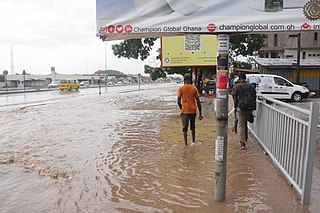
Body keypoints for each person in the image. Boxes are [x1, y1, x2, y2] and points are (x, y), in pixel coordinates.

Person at [177, 74, 203, 146]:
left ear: (184, 80)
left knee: (184, 128)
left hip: (184, 111)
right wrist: (200, 113)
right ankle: (193, 141)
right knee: (193, 127)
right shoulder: (194, 88)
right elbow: (198, 102)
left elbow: (178, 102)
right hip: (193, 110)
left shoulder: (181, 88)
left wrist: (181, 108)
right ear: (190, 80)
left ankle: (185, 144)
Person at [232, 73, 256, 150]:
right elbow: (254, 97)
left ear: (239, 78)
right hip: (249, 108)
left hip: (240, 108)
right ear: (245, 78)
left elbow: (235, 99)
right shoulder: (251, 86)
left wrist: (235, 107)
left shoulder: (237, 87)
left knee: (241, 125)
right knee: (245, 123)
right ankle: (246, 138)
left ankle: (242, 143)